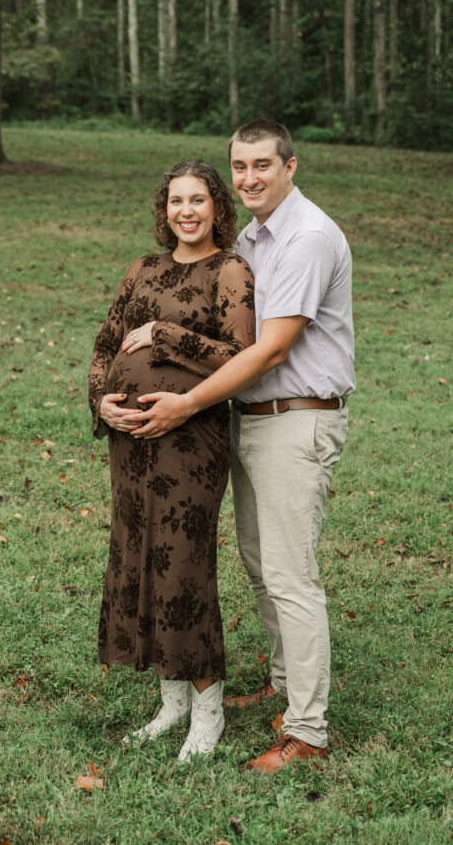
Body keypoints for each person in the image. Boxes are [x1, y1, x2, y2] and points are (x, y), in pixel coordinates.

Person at [127, 119, 355, 772]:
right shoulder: (254, 237)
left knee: (291, 577)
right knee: (261, 565)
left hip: (295, 417)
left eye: (262, 164)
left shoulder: (306, 236)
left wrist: (187, 401)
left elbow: (272, 345)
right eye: (240, 166)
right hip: (250, 417)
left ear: (290, 165)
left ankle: (308, 733)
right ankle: (285, 692)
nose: (249, 177)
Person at [88, 160, 255, 763]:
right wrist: (102, 399)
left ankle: (208, 713)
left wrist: (163, 333)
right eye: (176, 201)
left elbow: (242, 355)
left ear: (217, 208)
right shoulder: (143, 269)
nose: (186, 212)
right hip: (130, 442)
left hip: (192, 441)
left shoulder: (229, 271)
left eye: (198, 200)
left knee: (181, 566)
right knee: (139, 556)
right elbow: (106, 345)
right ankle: (172, 703)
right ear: (164, 208)